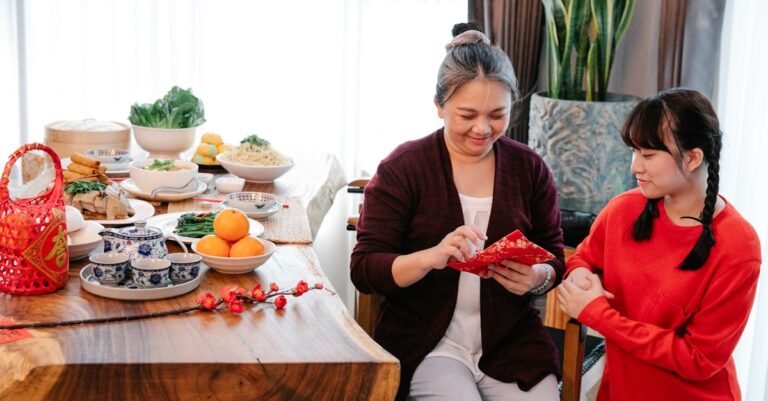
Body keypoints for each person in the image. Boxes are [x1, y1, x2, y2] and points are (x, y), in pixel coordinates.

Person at [351, 22, 564, 401]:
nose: (483, 128)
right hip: (427, 344)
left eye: (497, 114)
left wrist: (537, 278)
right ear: (438, 106)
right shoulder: (404, 168)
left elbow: (554, 256)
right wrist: (430, 258)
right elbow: (365, 269)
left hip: (511, 344)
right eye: (467, 115)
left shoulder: (528, 168)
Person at [557, 88, 761, 401]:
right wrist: (579, 274)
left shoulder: (738, 247)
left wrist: (598, 314)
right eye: (634, 152)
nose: (635, 167)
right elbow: (583, 257)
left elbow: (699, 359)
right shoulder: (623, 210)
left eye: (648, 155)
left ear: (692, 157)